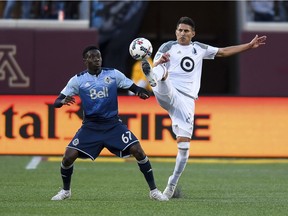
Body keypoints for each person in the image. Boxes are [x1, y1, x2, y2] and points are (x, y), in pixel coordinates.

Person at [141, 16, 267, 199]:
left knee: (184, 149)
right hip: (168, 91)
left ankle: (171, 185)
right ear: (175, 31)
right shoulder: (167, 47)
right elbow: (159, 60)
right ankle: (152, 76)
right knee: (162, 72)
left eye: (186, 31)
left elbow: (223, 52)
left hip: (187, 101)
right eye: (179, 30)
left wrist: (248, 46)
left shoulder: (199, 48)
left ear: (193, 33)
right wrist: (157, 65)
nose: (182, 33)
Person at [51, 45, 168, 201]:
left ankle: (154, 191)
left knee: (138, 150)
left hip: (113, 125)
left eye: (98, 56)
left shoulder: (113, 74)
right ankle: (65, 191)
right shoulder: (78, 80)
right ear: (85, 60)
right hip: (91, 127)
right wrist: (62, 101)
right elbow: (57, 101)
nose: (97, 59)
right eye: (92, 57)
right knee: (68, 157)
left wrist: (140, 92)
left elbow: (132, 86)